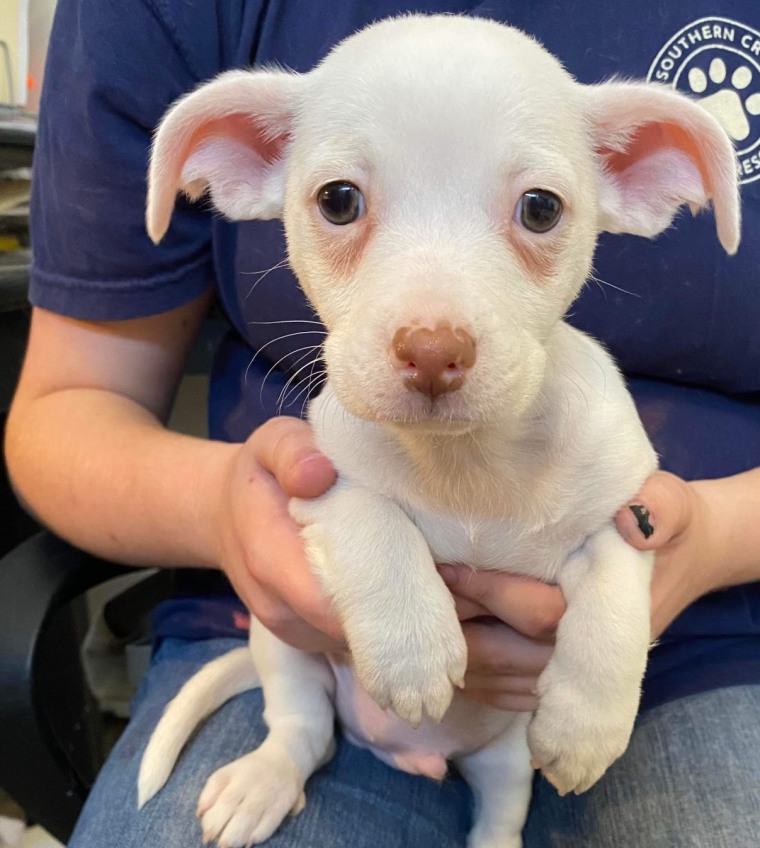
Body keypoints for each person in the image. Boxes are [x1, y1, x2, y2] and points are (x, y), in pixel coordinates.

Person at [5, 0, 760, 845]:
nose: (432, 336)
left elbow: (622, 534)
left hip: (709, 645)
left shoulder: (598, 428)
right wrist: (225, 508)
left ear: (636, 173)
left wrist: (700, 549)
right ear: (243, 159)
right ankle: (293, 742)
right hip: (314, 651)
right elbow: (70, 407)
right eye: (341, 202)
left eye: (537, 210)